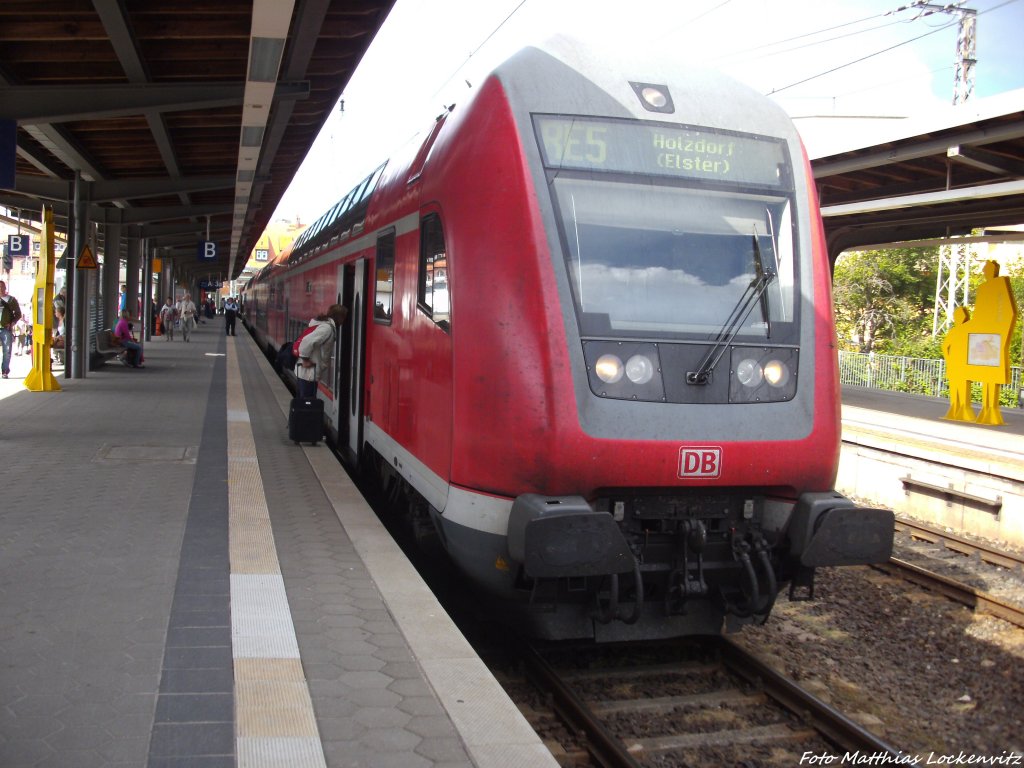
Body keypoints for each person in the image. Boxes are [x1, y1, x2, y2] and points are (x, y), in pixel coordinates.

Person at [295, 304, 348, 398]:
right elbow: (306, 342)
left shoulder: (324, 325)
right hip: (309, 374)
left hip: (308, 373)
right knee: (307, 404)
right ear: (339, 317)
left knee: (304, 403)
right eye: (343, 317)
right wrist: (306, 360)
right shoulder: (327, 328)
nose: (344, 321)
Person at [0, 280, 23, 379]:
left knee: (7, 351)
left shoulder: (11, 300)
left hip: (6, 328)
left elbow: (18, 314)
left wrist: (12, 323)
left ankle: (5, 370)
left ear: (5, 288)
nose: (0, 288)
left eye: (2, 286)